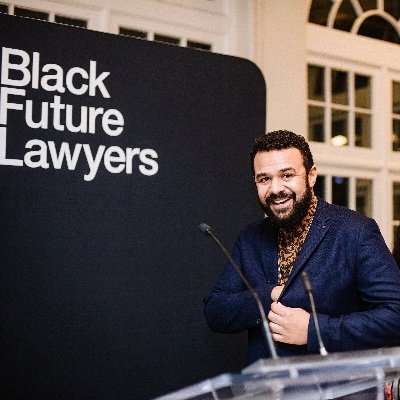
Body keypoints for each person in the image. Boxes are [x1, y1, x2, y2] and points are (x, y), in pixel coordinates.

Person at [203, 130, 400, 364]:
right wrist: (269, 295)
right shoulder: (250, 238)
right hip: (269, 390)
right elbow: (215, 311)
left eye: (287, 175)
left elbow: (395, 316)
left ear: (311, 175)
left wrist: (313, 331)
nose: (276, 189)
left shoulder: (355, 231)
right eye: (264, 179)